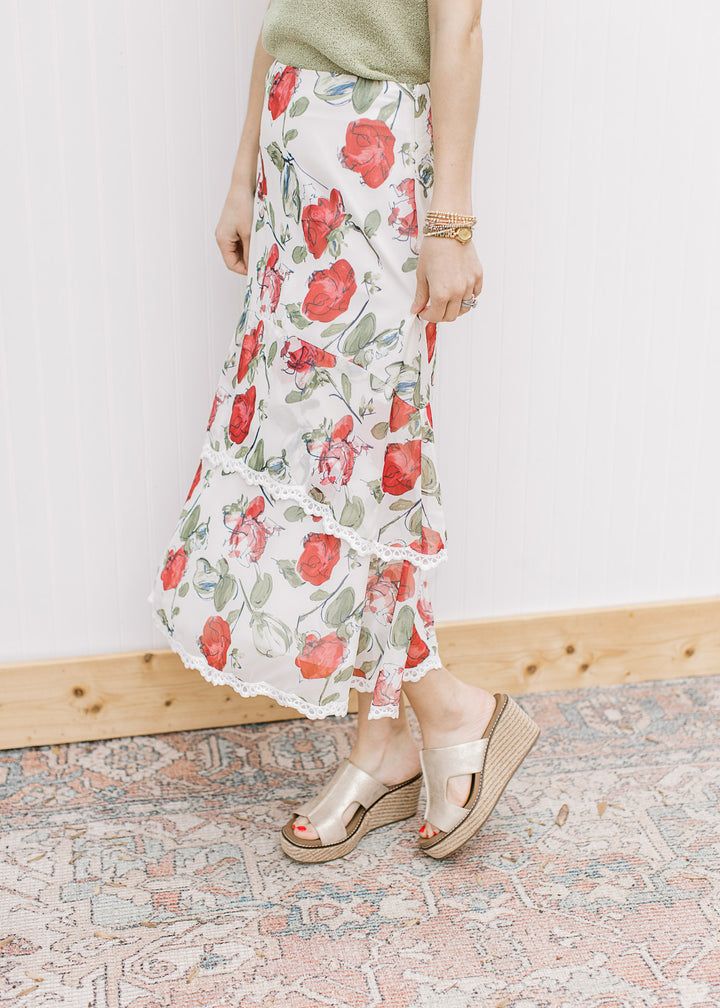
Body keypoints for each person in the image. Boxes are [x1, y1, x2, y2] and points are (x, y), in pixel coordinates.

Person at [147, 0, 540, 863]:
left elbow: (460, 28)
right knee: (313, 448)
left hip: (378, 154)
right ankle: (401, 730)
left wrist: (451, 221)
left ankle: (424, 717)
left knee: (366, 449)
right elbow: (282, 18)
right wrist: (245, 170)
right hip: (295, 148)